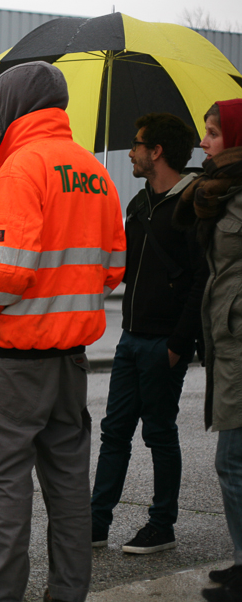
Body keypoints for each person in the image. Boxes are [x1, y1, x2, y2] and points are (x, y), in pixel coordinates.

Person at [0, 61, 126, 602]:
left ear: (18, 104)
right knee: (70, 488)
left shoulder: (21, 169)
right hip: (70, 359)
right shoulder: (94, 173)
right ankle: (67, 593)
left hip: (16, 363)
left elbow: (3, 272)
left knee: (6, 483)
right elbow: (113, 268)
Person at [90, 113, 206, 555]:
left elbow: (202, 279)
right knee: (114, 431)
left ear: (156, 151)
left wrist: (179, 345)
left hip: (164, 343)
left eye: (137, 144)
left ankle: (162, 525)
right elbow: (123, 270)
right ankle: (97, 524)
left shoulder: (191, 205)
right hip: (130, 338)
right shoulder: (139, 205)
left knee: (159, 433)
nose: (131, 152)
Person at [173, 98, 242, 602]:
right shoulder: (219, 192)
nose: (204, 141)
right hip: (227, 344)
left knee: (232, 461)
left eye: (214, 133)